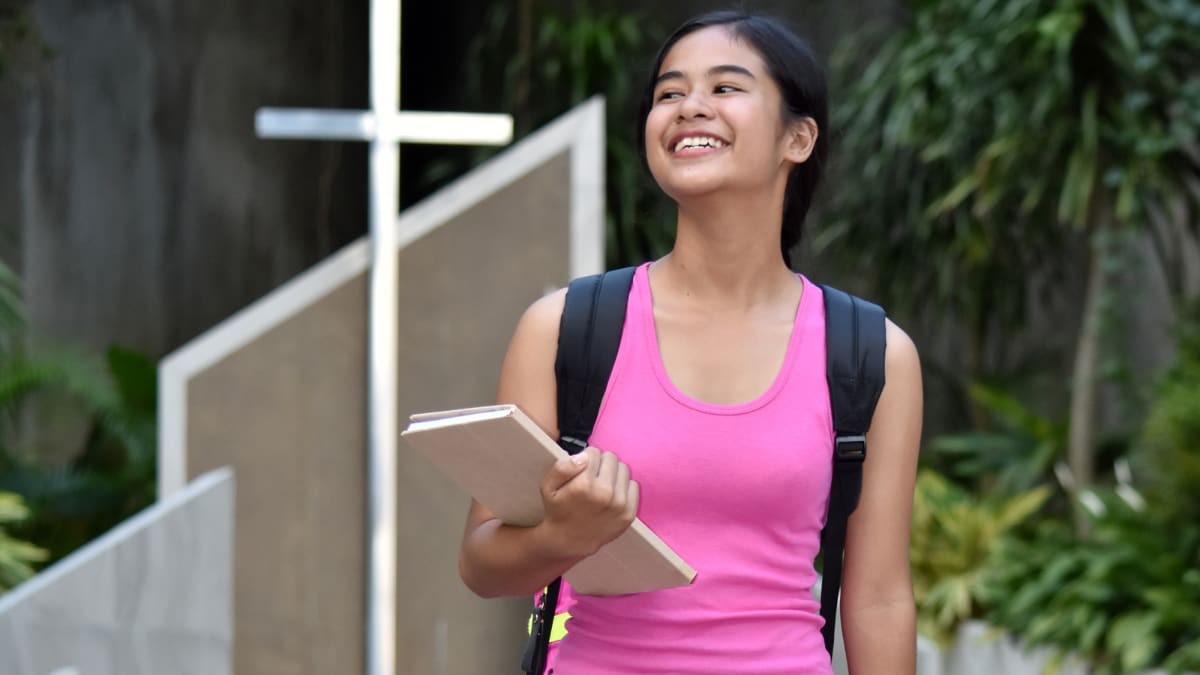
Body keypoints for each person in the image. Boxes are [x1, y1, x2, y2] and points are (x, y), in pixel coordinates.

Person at [459, 9, 922, 674]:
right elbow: (481, 562)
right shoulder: (565, 328)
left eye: (725, 88)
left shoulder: (871, 353)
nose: (688, 108)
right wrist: (564, 535)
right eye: (669, 94)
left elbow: (878, 597)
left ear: (798, 137)